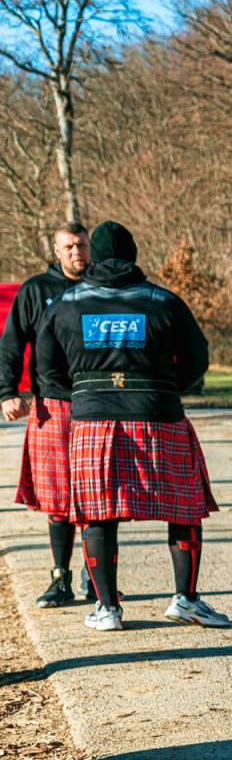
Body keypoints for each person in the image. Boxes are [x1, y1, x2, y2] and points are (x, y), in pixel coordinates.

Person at [34, 221, 224, 632]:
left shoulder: (65, 305)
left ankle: (107, 608)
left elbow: (46, 370)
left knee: (97, 514)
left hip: (93, 421)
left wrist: (83, 394)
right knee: (184, 507)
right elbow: (198, 358)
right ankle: (187, 600)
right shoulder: (164, 301)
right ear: (134, 255)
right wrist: (167, 388)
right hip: (159, 414)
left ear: (95, 256)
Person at [0, 222, 96, 607]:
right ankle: (60, 579)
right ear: (57, 251)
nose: (77, 252)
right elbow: (11, 344)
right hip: (52, 404)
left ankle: (97, 578)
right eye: (69, 246)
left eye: (82, 245)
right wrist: (7, 392)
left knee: (96, 494)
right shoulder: (36, 290)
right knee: (57, 498)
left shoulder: (101, 287)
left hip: (98, 402)